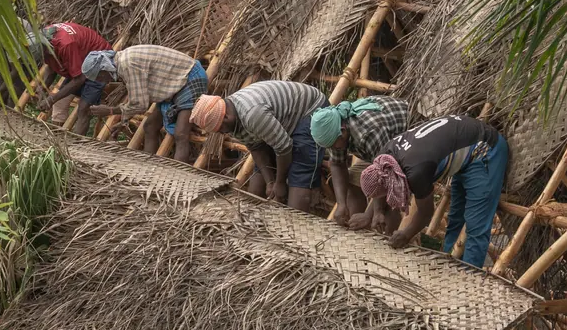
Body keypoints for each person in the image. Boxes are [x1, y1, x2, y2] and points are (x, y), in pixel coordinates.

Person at [356, 114, 509, 268]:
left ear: (389, 185)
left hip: (485, 149)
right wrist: (378, 212)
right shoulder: (384, 158)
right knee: (456, 219)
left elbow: (426, 213)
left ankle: (468, 279)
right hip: (465, 143)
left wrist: (406, 234)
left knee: (476, 226)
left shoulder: (416, 172)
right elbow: (380, 182)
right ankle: (449, 266)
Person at [191, 80, 326, 210]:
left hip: (311, 111)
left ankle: (296, 228)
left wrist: (280, 183)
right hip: (282, 122)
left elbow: (284, 147)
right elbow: (256, 147)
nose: (221, 133)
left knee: (299, 175)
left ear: (226, 117)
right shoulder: (231, 116)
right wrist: (270, 182)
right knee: (256, 189)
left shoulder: (252, 114)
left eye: (220, 128)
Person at [83, 44, 207, 161]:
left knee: (180, 134)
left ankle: (178, 178)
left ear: (104, 69)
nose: (105, 82)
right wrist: (123, 121)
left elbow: (140, 104)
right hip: (173, 86)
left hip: (189, 78)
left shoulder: (127, 64)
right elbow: (138, 98)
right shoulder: (123, 61)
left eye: (100, 77)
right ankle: (149, 167)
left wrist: (110, 110)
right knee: (150, 126)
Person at [309, 96, 412, 226]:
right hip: (381, 153)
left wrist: (372, 214)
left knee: (391, 201)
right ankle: (356, 227)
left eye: (334, 145)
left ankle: (388, 238)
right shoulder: (337, 128)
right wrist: (341, 204)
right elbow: (336, 164)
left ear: (343, 131)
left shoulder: (368, 133)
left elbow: (387, 173)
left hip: (408, 151)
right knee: (353, 179)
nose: (333, 149)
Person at [36, 21, 113, 131]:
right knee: (60, 101)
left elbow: (79, 79)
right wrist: (43, 88)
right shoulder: (44, 38)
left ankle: (77, 144)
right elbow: (51, 65)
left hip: (100, 62)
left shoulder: (66, 44)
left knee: (84, 109)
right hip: (81, 60)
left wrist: (51, 99)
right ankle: (56, 137)